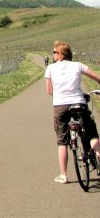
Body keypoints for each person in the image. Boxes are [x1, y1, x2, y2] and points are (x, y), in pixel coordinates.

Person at [44, 40, 100, 184]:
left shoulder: (50, 68)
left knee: (62, 142)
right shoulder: (78, 65)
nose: (53, 54)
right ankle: (97, 156)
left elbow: (49, 91)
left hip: (60, 106)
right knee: (92, 133)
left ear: (61, 54)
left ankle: (63, 175)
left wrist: (60, 95)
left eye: (55, 52)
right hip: (78, 103)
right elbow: (97, 77)